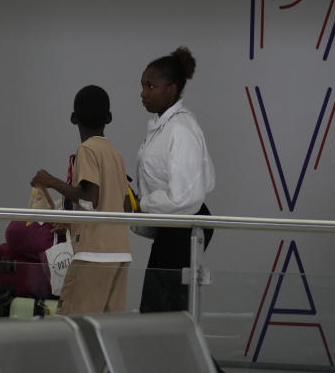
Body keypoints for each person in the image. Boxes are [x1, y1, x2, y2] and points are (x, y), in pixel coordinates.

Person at [31, 85, 132, 315]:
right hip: (121, 254)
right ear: (109, 118)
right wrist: (73, 222)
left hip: (93, 255)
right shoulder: (116, 155)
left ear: (73, 118)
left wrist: (51, 181)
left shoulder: (86, 150)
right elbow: (124, 206)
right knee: (106, 328)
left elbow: (89, 199)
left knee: (73, 325)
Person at [135, 46, 215, 313]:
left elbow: (185, 198)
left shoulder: (181, 130)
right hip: (170, 231)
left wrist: (141, 205)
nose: (143, 93)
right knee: (157, 313)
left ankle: (193, 357)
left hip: (182, 232)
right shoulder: (164, 127)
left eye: (150, 86)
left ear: (171, 89)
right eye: (142, 86)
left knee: (167, 315)